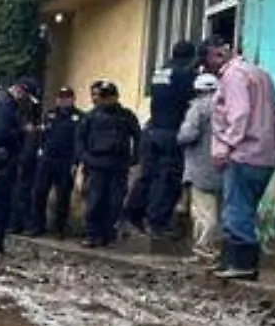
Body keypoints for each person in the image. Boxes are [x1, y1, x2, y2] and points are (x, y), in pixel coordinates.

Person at [205, 36, 275, 281]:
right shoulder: (261, 74)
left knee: (236, 210)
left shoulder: (232, 76)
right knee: (245, 209)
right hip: (265, 155)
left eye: (208, 60)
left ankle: (241, 264)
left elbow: (239, 114)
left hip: (243, 152)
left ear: (217, 55)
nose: (208, 67)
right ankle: (232, 261)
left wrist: (225, 147)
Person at [125, 40, 201, 238]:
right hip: (171, 132)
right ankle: (157, 222)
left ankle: (133, 213)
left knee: (147, 176)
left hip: (153, 130)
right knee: (167, 179)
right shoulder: (184, 74)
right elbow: (192, 96)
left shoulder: (161, 72)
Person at [77, 80, 142, 247]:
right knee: (95, 201)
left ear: (115, 97)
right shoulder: (91, 116)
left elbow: (138, 137)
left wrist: (135, 157)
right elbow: (80, 140)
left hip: (118, 164)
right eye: (103, 97)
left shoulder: (126, 115)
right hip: (96, 164)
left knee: (115, 202)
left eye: (108, 97)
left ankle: (108, 234)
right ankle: (92, 235)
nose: (105, 101)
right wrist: (85, 158)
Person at [0, 78, 37, 256]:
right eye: (26, 96)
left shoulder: (5, 102)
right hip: (1, 161)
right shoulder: (5, 104)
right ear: (21, 90)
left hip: (3, 160)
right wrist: (23, 130)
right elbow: (1, 133)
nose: (25, 101)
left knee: (2, 204)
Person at [175, 71, 224, 263]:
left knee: (203, 212)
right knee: (218, 210)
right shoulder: (226, 106)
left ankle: (204, 249)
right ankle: (208, 249)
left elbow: (187, 135)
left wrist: (179, 137)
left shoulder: (198, 109)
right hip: (222, 167)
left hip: (200, 167)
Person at [28, 87, 83, 237]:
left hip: (66, 161)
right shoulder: (50, 115)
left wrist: (75, 162)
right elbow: (43, 135)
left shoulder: (79, 117)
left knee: (63, 196)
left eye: (66, 98)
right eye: (60, 97)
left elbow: (79, 141)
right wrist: (40, 151)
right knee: (39, 193)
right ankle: (37, 226)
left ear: (72, 99)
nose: (63, 100)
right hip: (47, 159)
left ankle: (59, 228)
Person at [10, 91, 44, 234]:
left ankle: (21, 224)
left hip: (26, 160)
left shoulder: (31, 126)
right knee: (22, 193)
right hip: (24, 159)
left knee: (24, 192)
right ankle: (21, 223)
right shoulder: (24, 125)